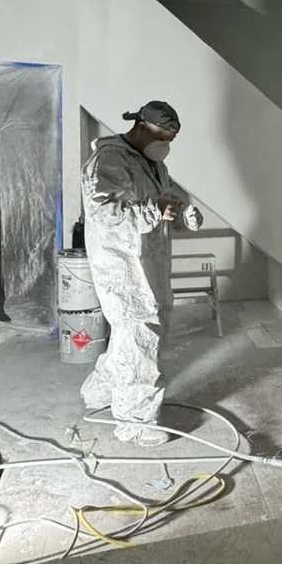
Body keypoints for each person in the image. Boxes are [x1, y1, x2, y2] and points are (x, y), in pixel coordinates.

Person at [80, 101, 203, 446]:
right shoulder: (108, 161)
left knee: (137, 333)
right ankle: (135, 422)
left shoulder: (152, 163)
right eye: (164, 136)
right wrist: (152, 210)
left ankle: (99, 390)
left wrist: (182, 217)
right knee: (138, 337)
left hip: (150, 264)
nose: (167, 145)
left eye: (171, 139)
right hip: (121, 266)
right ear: (142, 128)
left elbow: (162, 205)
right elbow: (103, 213)